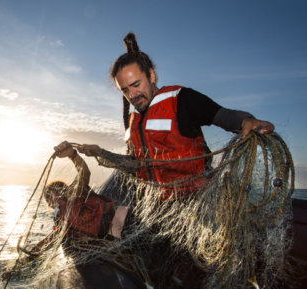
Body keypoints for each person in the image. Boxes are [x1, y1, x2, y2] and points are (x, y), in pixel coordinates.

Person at [78, 32, 275, 199]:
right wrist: (100, 153)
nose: (132, 95)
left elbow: (222, 115)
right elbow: (134, 165)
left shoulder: (181, 99)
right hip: (158, 202)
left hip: (197, 197)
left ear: (152, 76)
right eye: (125, 90)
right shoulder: (133, 123)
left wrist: (246, 121)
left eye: (136, 85)